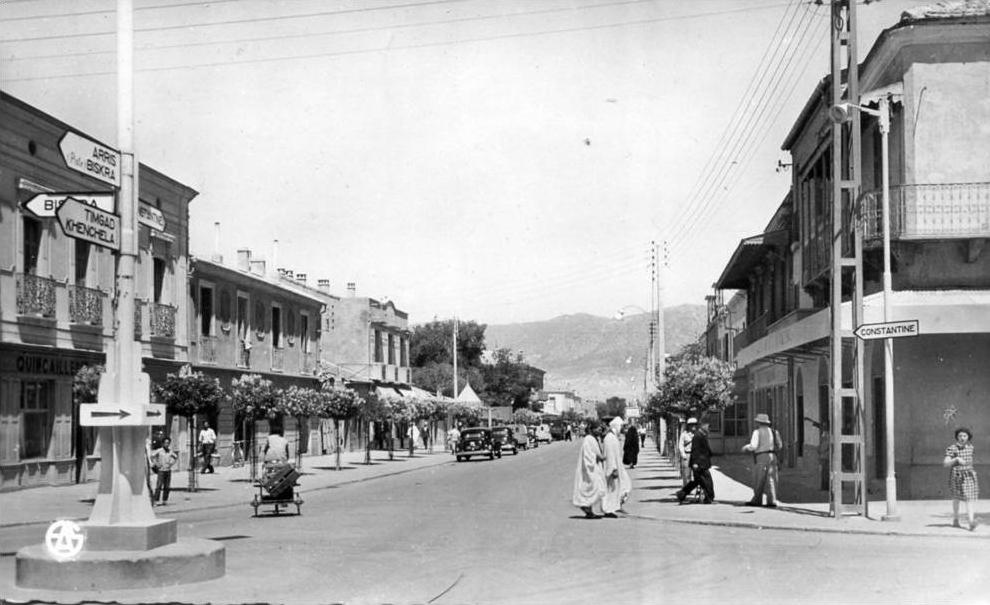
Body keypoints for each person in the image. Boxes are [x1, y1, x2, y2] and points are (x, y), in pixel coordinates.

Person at [742, 413, 783, 507]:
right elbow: (780, 445)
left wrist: (746, 447)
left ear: (759, 423)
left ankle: (757, 499)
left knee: (759, 479)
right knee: (771, 479)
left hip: (761, 456)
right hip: (772, 456)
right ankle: (772, 500)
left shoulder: (757, 432)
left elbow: (753, 446)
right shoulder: (774, 432)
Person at [944, 427, 978, 531]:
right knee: (956, 499)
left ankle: (971, 521)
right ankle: (955, 520)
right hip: (957, 476)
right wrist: (956, 459)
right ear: (956, 437)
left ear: (968, 437)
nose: (962, 438)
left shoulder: (971, 447)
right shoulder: (952, 448)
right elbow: (945, 463)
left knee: (969, 499)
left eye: (964, 436)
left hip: (969, 476)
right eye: (960, 436)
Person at [572, 419, 606, 519]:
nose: (600, 430)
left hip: (595, 467)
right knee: (589, 488)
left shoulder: (594, 439)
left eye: (600, 428)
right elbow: (587, 455)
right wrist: (598, 457)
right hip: (589, 469)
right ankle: (586, 508)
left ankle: (589, 510)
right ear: (592, 429)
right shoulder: (588, 439)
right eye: (598, 428)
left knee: (596, 488)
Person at [676, 421, 714, 504]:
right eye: (708, 426)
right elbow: (695, 450)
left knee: (698, 481)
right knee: (707, 480)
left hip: (701, 463)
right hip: (699, 464)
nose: (709, 428)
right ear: (703, 426)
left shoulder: (701, 434)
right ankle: (709, 497)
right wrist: (695, 463)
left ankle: (681, 494)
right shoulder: (698, 436)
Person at [602, 416, 631, 517]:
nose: (623, 428)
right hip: (613, 468)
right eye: (621, 426)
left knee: (625, 485)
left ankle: (616, 505)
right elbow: (609, 455)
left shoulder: (613, 437)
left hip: (617, 467)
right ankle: (608, 510)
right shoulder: (609, 438)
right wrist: (613, 469)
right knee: (611, 490)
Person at [150, 437, 179, 506]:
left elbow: (175, 457)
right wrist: (156, 463)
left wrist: (171, 463)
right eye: (165, 443)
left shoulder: (170, 451)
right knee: (159, 486)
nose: (167, 444)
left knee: (167, 486)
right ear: (163, 443)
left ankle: (165, 500)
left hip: (168, 470)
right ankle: (156, 500)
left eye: (168, 443)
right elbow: (152, 456)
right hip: (161, 470)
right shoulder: (159, 451)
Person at [678, 418, 698, 486]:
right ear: (689, 426)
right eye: (692, 425)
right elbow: (681, 445)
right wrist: (683, 454)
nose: (694, 426)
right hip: (687, 455)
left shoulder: (698, 434)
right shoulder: (684, 434)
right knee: (687, 473)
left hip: (696, 455)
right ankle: (686, 488)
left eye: (695, 424)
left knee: (697, 472)